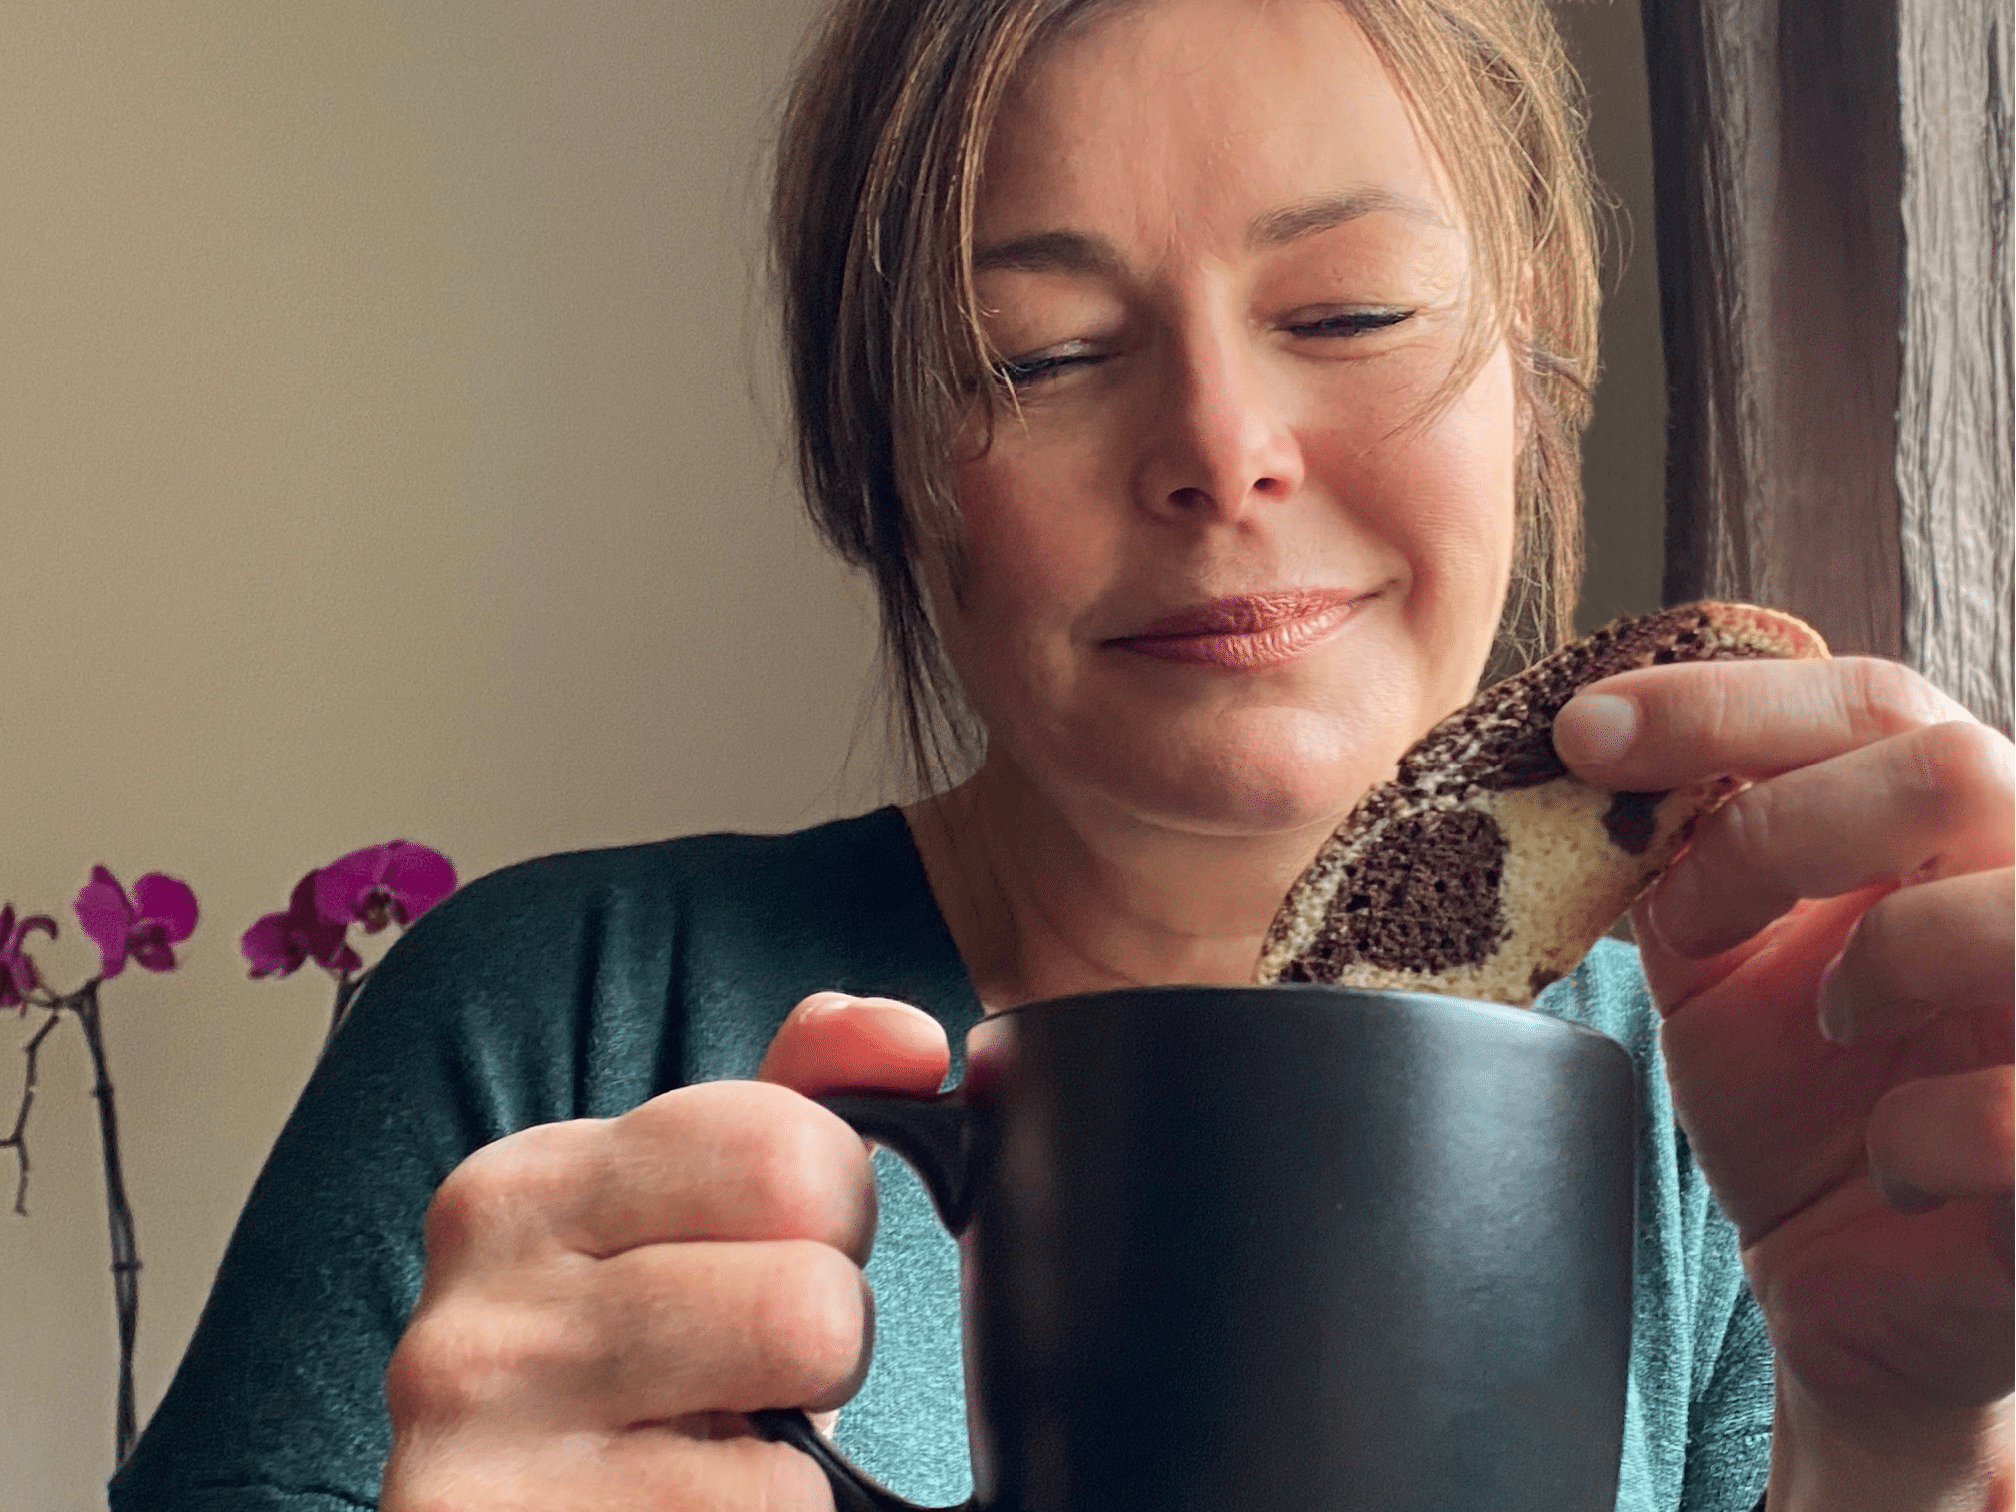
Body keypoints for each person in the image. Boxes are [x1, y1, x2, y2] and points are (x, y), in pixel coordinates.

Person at [111, 0, 2013, 1508]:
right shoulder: (554, 1029)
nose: (1220, 445)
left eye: (1350, 312)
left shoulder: (1765, 1103)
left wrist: (1898, 1457)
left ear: (1537, 368)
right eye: (1034, 353)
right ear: (891, 475)